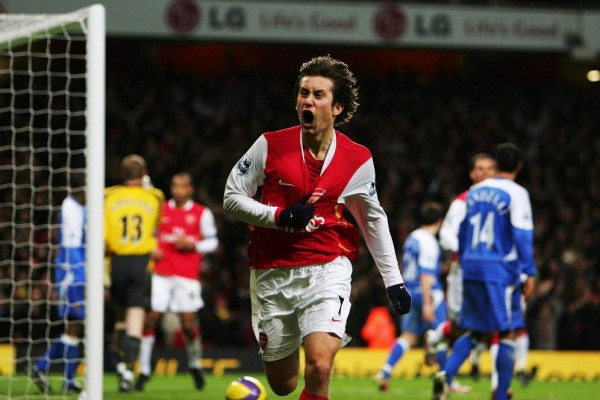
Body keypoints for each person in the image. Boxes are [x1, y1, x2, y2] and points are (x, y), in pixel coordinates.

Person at [223, 55, 411, 400]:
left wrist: (394, 280)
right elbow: (232, 198)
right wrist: (279, 217)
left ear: (337, 107)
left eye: (318, 95)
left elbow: (372, 218)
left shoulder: (357, 158)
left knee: (320, 367)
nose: (307, 101)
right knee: (283, 385)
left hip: (327, 267)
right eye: (303, 93)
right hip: (272, 271)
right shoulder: (270, 145)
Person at [432, 143, 537, 400]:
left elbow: (463, 232)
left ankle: (446, 374)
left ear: (496, 165)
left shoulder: (474, 193)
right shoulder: (517, 193)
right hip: (500, 269)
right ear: (520, 166)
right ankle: (500, 393)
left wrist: (466, 258)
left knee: (476, 331)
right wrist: (529, 271)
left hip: (470, 267)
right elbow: (522, 235)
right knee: (508, 331)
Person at [135, 172, 218, 391]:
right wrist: (151, 248)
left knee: (189, 326)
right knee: (150, 319)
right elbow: (149, 234)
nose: (177, 190)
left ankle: (195, 364)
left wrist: (194, 246)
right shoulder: (160, 209)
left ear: (190, 189)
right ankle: (144, 370)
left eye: (182, 186)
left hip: (186, 276)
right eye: (174, 186)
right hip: (160, 274)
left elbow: (213, 241)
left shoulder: (201, 212)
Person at [425, 153, 496, 377]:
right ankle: (439, 346)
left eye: (490, 168)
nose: (485, 173)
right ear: (472, 174)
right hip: (463, 270)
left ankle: (448, 370)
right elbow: (446, 235)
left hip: (490, 271)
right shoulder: (462, 202)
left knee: (484, 324)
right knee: (461, 325)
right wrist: (468, 254)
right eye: (480, 169)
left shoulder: (501, 202)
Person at [104, 154, 165, 393]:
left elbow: (102, 237)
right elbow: (156, 227)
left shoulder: (107, 196)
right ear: (144, 174)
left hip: (116, 261)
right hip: (141, 262)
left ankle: (121, 368)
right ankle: (128, 373)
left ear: (121, 173)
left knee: (119, 319)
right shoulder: (155, 196)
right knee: (135, 319)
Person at [374, 201, 446, 392]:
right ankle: (448, 378)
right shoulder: (429, 242)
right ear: (439, 221)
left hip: (411, 291)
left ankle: (385, 371)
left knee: (408, 336)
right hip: (428, 294)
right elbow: (425, 274)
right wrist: (428, 304)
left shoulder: (412, 238)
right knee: (441, 334)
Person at [29, 174, 86, 395]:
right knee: (75, 324)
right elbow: (71, 248)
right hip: (73, 274)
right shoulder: (71, 209)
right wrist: (82, 278)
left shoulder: (78, 207)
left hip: (75, 272)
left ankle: (61, 376)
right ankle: (44, 367)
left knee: (76, 327)